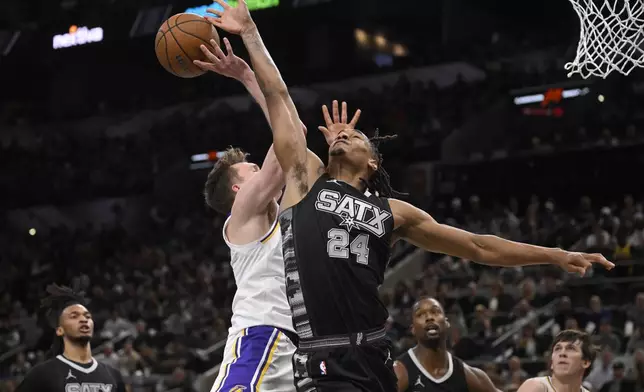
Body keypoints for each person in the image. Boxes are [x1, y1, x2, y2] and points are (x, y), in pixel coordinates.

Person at [205, 1, 615, 390]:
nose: (345, 134)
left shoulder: (393, 212)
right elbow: (281, 104)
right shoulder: (305, 184)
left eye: (357, 135)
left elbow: (478, 246)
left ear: (372, 164)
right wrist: (251, 33)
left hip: (373, 351)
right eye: (342, 134)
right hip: (321, 354)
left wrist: (555, 254)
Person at [196, 37, 359, 392]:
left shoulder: (286, 217)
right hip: (261, 338)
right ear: (238, 191)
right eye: (250, 169)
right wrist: (247, 77)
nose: (258, 167)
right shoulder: (242, 217)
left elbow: (294, 139)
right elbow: (291, 134)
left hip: (300, 349)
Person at [15, 284, 127, 392]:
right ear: (60, 330)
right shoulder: (43, 374)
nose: (83, 319)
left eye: (87, 316)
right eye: (74, 316)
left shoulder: (113, 375)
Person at [394, 297, 500, 392]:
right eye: (420, 314)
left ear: (446, 323)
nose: (429, 317)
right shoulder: (399, 371)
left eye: (435, 312)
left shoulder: (467, 375)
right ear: (413, 329)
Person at [517, 330, 595, 392]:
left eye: (571, 348)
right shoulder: (537, 386)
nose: (562, 353)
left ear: (585, 362)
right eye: (557, 349)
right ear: (552, 363)